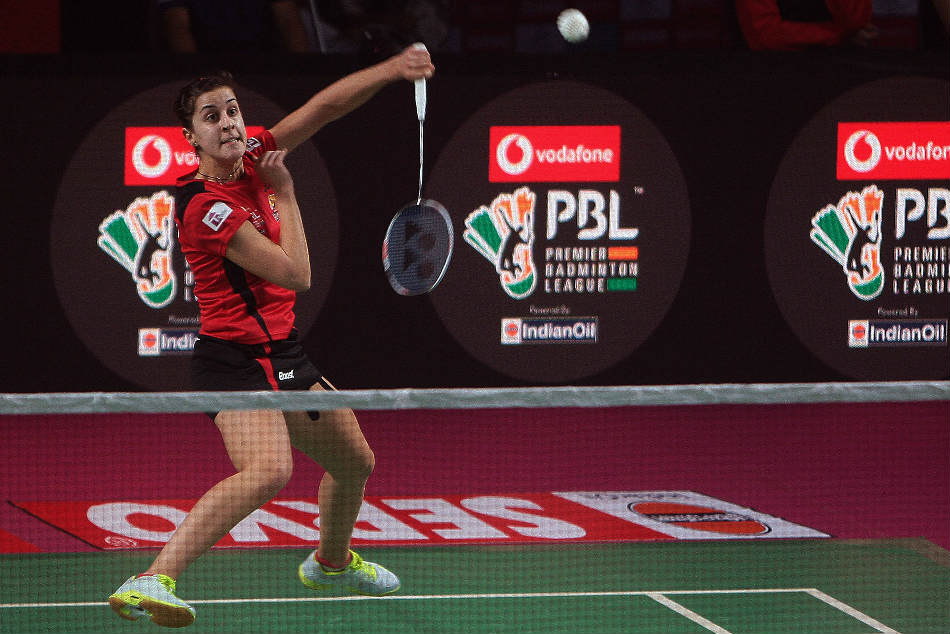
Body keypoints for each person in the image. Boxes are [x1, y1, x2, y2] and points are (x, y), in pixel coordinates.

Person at [107, 44, 435, 628]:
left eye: (232, 111)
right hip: (232, 362)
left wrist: (392, 70)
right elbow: (296, 275)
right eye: (212, 117)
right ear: (191, 138)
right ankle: (151, 579)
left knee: (355, 462)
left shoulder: (255, 152)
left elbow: (322, 110)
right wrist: (285, 191)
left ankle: (331, 563)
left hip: (283, 354)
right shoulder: (203, 208)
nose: (229, 124)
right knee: (268, 470)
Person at [736, 0, 879, 50]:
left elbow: (856, 21)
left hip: (839, 68)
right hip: (774, 71)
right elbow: (765, 36)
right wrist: (839, 35)